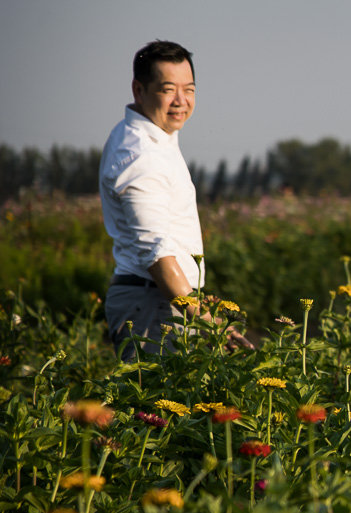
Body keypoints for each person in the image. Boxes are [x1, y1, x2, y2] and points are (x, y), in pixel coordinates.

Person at [100, 40, 252, 360]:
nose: (181, 101)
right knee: (156, 408)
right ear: (139, 90)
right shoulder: (140, 154)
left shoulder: (151, 139)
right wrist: (210, 324)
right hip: (152, 304)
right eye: (168, 89)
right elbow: (157, 252)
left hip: (161, 299)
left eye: (190, 89)